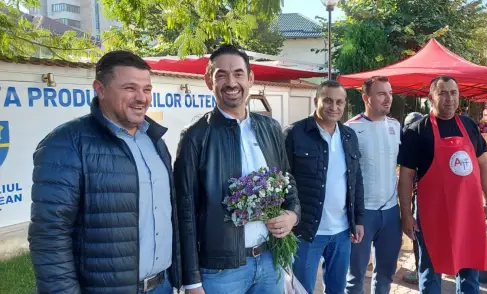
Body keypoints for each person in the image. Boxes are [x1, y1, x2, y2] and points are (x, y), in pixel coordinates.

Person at [28, 50, 182, 294]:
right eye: (130, 88)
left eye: (147, 89)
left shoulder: (154, 140)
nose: (141, 98)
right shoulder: (66, 143)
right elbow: (49, 236)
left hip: (162, 285)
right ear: (100, 89)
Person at [174, 45, 300, 294]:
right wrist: (192, 281)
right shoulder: (195, 137)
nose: (231, 82)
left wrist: (292, 215)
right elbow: (184, 212)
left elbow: (288, 181)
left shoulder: (271, 128)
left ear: (250, 78)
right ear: (209, 81)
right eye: (221, 75)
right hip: (221, 272)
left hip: (269, 260)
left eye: (238, 73)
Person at [398, 76, 487, 294]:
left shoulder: (468, 125)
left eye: (453, 92)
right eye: (442, 93)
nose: (449, 98)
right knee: (430, 273)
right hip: (433, 217)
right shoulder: (417, 131)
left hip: (468, 213)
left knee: (469, 272)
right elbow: (405, 178)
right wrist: (406, 213)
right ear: (431, 97)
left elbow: (483, 165)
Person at [284, 80, 365, 294]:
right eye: (328, 100)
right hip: (305, 231)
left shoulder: (349, 136)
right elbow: (282, 179)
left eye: (339, 102)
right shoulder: (295, 133)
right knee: (301, 290)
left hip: (342, 232)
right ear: (316, 101)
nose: (334, 107)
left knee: (337, 289)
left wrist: (358, 219)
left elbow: (356, 180)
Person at [345, 76, 402, 294]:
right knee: (355, 276)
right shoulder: (350, 128)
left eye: (389, 93)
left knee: (386, 274)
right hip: (362, 213)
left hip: (390, 213)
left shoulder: (396, 126)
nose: (388, 98)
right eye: (381, 93)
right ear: (365, 98)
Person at [400, 112, 425, 286]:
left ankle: (420, 271)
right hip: (419, 197)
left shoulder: (415, 144)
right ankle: (421, 270)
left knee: (419, 236)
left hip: (421, 198)